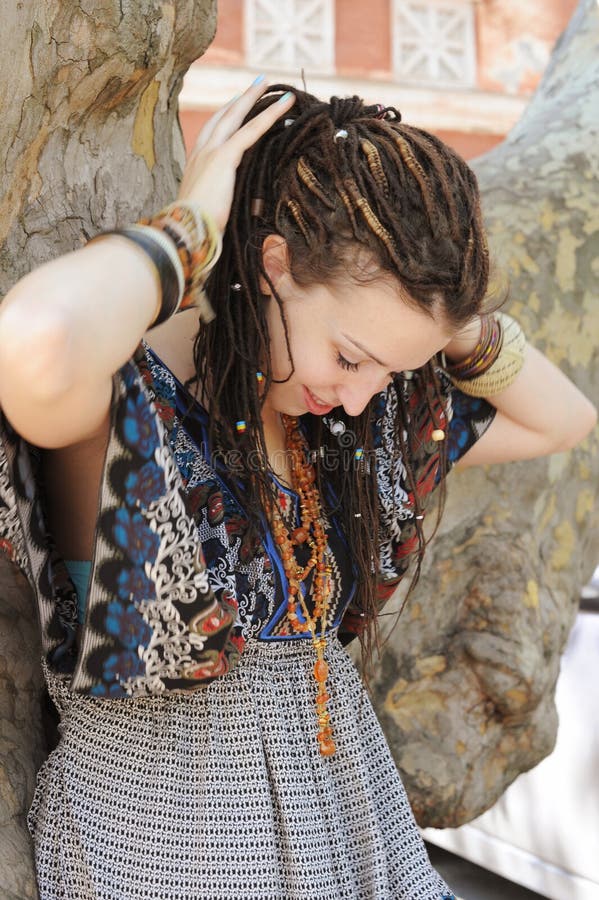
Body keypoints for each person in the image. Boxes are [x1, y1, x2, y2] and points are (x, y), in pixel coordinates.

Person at [0, 77, 595, 900]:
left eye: (392, 370)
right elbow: (35, 341)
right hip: (168, 852)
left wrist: (441, 316)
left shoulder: (347, 433)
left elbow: (561, 420)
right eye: (351, 356)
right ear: (273, 263)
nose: (360, 394)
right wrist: (195, 225)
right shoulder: (125, 411)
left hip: (354, 833)